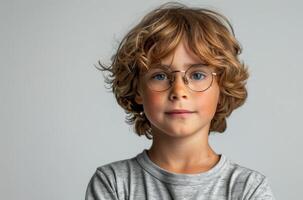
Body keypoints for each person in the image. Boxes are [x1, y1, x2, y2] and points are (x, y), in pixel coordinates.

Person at [85, 2, 275, 200]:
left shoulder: (248, 188)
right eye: (160, 76)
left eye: (198, 75)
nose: (178, 91)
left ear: (222, 87)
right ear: (137, 88)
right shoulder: (113, 183)